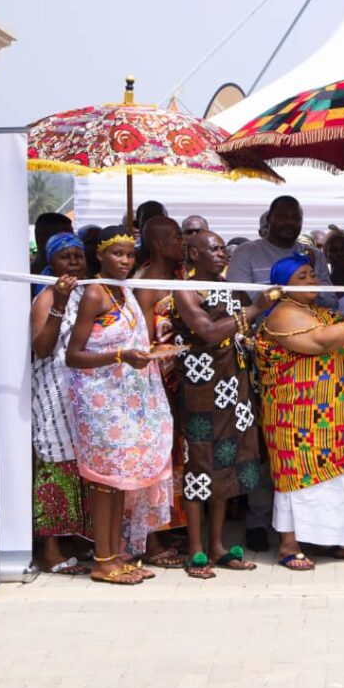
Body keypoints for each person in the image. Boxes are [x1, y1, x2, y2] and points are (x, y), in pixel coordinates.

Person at [254, 255, 344, 570]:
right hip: (295, 419)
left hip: (335, 418)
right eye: (301, 277)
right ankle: (289, 546)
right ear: (282, 285)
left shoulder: (319, 311)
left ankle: (331, 539)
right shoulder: (282, 314)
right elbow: (319, 342)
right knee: (297, 479)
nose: (311, 281)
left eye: (312, 275)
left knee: (337, 481)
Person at [227, 195, 338, 550]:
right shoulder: (247, 254)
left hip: (312, 360)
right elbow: (238, 305)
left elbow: (329, 301)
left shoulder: (313, 255)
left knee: (308, 443)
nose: (290, 222)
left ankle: (309, 525)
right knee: (268, 443)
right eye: (283, 216)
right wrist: (281, 302)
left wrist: (309, 286)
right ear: (269, 218)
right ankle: (260, 520)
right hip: (265, 360)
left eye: (296, 217)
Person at [65, 227, 173, 585]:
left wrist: (150, 353)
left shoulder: (123, 291)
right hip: (100, 402)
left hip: (126, 401)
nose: (125, 261)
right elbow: (74, 355)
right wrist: (120, 356)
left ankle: (115, 557)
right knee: (105, 483)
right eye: (117, 254)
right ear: (100, 256)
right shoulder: (95, 293)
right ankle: (102, 561)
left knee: (117, 482)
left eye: (129, 254)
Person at [171, 231, 274, 578]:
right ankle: (196, 550)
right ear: (193, 254)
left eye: (221, 249)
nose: (220, 254)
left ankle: (217, 545)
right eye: (213, 249)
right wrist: (256, 308)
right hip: (200, 390)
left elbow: (242, 330)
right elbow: (208, 331)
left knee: (227, 466)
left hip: (234, 386)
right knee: (199, 466)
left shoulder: (231, 287)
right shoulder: (185, 290)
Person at [131, 216, 189, 567]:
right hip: (155, 381)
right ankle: (149, 540)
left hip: (179, 379)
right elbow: (140, 338)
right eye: (176, 236)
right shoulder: (146, 285)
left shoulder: (178, 278)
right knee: (154, 459)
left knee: (173, 458)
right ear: (157, 243)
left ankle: (165, 527)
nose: (182, 242)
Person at [30, 233, 89, 575]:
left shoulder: (89, 291)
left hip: (82, 391)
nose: (74, 262)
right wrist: (60, 304)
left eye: (78, 256)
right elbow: (41, 347)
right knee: (55, 465)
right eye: (66, 257)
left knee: (81, 465)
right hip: (54, 390)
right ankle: (49, 549)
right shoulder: (46, 296)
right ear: (52, 262)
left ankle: (77, 539)